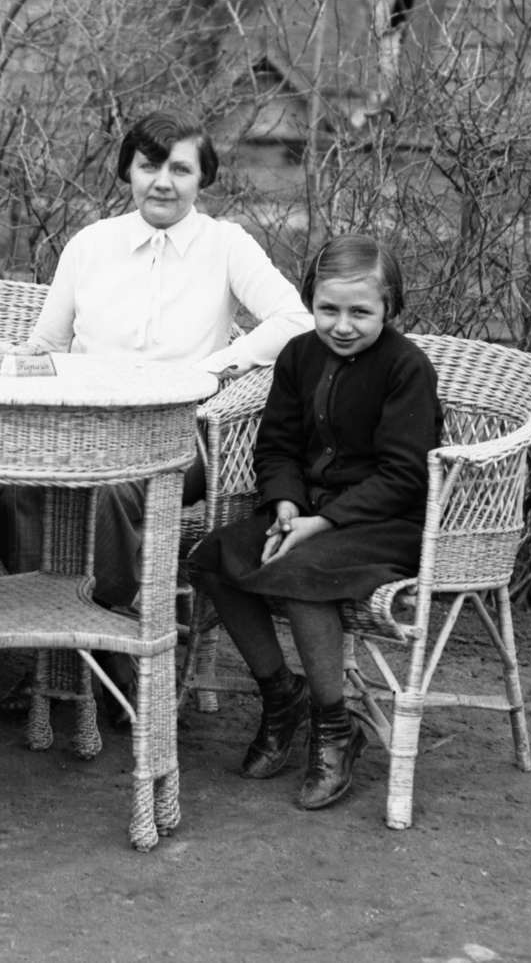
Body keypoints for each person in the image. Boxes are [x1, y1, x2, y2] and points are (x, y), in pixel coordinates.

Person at [0, 109, 312, 704]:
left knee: (113, 489)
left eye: (180, 169)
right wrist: (14, 360)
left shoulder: (226, 245)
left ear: (201, 177)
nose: (164, 181)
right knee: (13, 494)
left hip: (176, 435)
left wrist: (212, 369)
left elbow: (296, 321)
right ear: (128, 172)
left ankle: (96, 635)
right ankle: (66, 641)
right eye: (149, 166)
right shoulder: (92, 244)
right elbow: (49, 344)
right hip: (82, 423)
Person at [187, 234, 442, 810]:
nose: (343, 325)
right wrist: (285, 505)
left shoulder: (406, 368)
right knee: (215, 557)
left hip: (382, 524)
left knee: (303, 576)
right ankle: (282, 696)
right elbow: (276, 447)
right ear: (311, 304)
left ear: (390, 308)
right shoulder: (299, 356)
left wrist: (322, 522)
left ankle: (334, 727)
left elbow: (405, 476)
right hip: (304, 515)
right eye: (329, 309)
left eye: (361, 312)